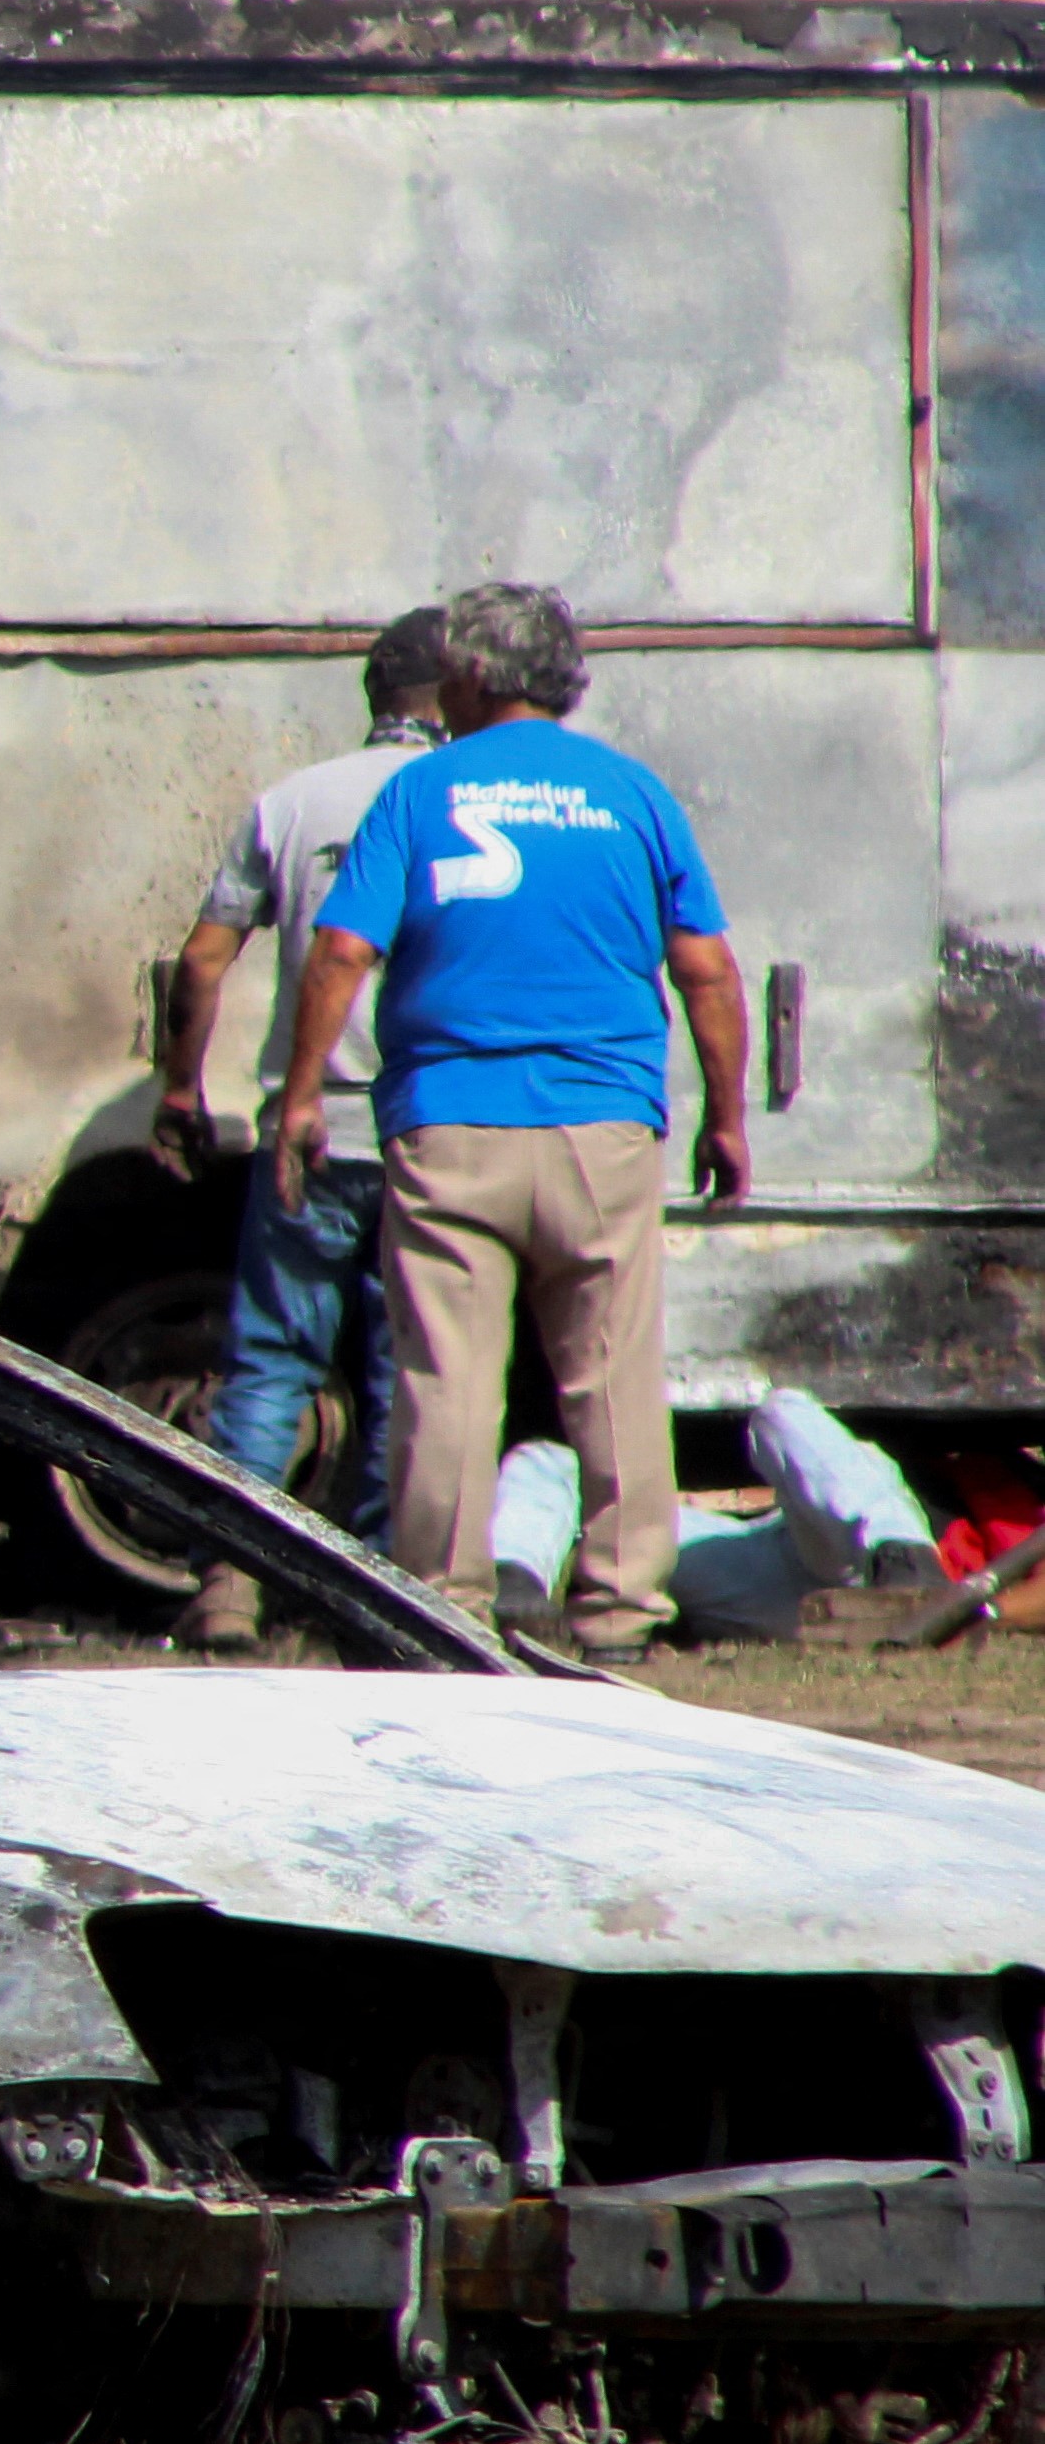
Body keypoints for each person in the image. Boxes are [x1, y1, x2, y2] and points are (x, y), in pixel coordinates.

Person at [274, 581, 752, 1654]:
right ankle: (620, 1609)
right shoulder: (632, 794)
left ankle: (446, 1605)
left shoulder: (417, 791)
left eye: (448, 668)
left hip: (450, 1123)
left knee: (445, 1381)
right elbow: (707, 970)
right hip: (601, 1128)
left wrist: (302, 1093)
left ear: (475, 676)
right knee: (613, 1375)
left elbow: (342, 949)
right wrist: (725, 1117)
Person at [153, 606, 450, 1648]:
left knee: (272, 1357)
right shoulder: (463, 800)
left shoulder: (291, 801)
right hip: (426, 1133)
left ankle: (228, 1582)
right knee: (404, 1368)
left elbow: (200, 960)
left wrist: (180, 1089)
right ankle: (376, 1593)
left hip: (306, 1129)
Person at [487, 1390, 963, 1642]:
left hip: (853, 1565)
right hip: (765, 1563)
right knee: (548, 1460)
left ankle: (907, 1563)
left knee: (786, 1412)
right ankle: (514, 1580)